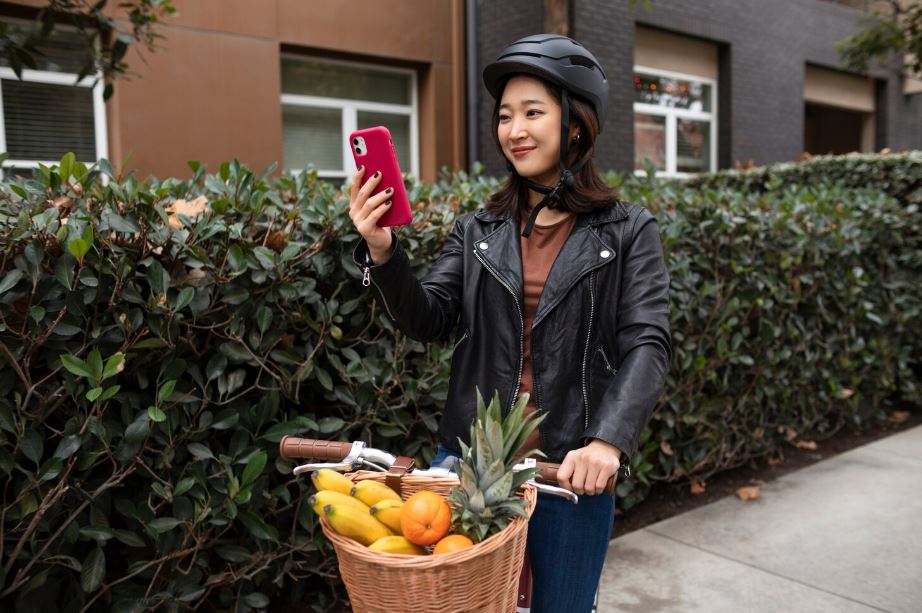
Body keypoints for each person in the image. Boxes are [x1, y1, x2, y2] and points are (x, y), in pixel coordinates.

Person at [348, 33, 670, 613]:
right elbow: (430, 319)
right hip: (471, 467)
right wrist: (382, 253)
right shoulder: (479, 230)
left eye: (532, 112)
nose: (514, 129)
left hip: (569, 472)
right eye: (504, 116)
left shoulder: (628, 230)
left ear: (575, 124)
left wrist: (608, 441)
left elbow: (647, 341)